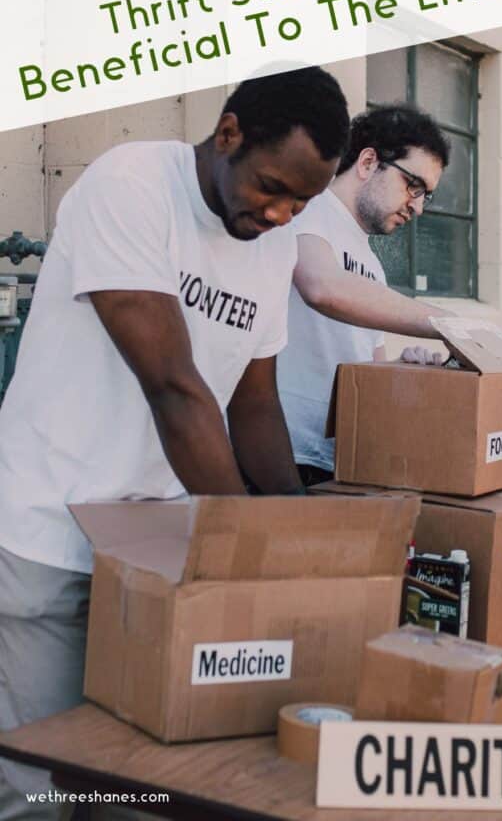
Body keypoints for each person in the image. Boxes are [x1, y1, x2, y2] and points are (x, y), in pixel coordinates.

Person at [0, 66, 350, 819]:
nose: (283, 213)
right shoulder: (130, 184)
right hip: (46, 536)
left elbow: (253, 405)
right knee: (38, 786)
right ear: (228, 134)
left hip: (153, 547)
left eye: (303, 201)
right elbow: (176, 387)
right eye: (270, 187)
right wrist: (244, 555)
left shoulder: (273, 244)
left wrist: (295, 536)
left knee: (133, 781)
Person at [277, 103, 453, 486]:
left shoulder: (371, 265)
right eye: (414, 185)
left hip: (338, 463)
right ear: (369, 162)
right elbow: (321, 287)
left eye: (427, 195)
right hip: (278, 457)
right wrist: (448, 325)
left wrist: (403, 367)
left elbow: (369, 369)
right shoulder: (308, 207)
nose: (419, 206)